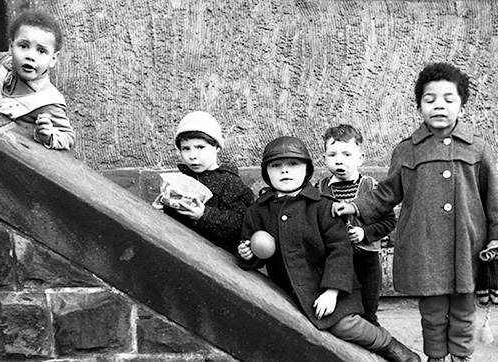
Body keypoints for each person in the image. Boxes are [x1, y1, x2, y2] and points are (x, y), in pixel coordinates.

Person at [332, 63, 498, 362]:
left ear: (462, 106)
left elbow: (494, 197)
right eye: (430, 100)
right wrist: (356, 205)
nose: (439, 105)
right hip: (424, 245)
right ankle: (436, 357)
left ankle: (461, 356)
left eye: (448, 99)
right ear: (419, 106)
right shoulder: (407, 150)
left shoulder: (478, 150)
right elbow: (387, 192)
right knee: (432, 311)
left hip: (467, 246)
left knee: (463, 310)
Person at [237, 136, 419, 362]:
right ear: (266, 172)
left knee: (346, 326)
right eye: (276, 166)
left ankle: (395, 349)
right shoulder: (257, 212)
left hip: (329, 288)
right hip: (287, 290)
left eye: (293, 164)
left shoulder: (322, 206)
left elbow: (340, 250)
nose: (285, 171)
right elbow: (252, 247)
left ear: (307, 169)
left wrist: (332, 292)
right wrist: (247, 254)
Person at [316, 124, 396, 326]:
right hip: (334, 260)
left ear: (360, 158)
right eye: (332, 155)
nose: (339, 161)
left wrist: (365, 233)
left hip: (365, 260)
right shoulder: (320, 189)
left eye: (347, 154)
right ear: (324, 158)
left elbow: (389, 221)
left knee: (368, 310)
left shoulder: (371, 188)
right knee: (344, 310)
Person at [0, 10, 75, 150]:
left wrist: (48, 136)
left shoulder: (48, 100)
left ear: (53, 59)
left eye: (41, 51)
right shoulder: (1, 62)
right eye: (23, 46)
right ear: (11, 47)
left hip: (8, 155)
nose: (30, 56)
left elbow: (68, 136)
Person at [160, 111, 255, 253]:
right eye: (186, 149)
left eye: (200, 147)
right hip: (182, 252)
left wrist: (204, 215)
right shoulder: (182, 178)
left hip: (217, 261)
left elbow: (241, 225)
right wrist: (164, 208)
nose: (192, 156)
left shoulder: (230, 182)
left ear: (217, 147)